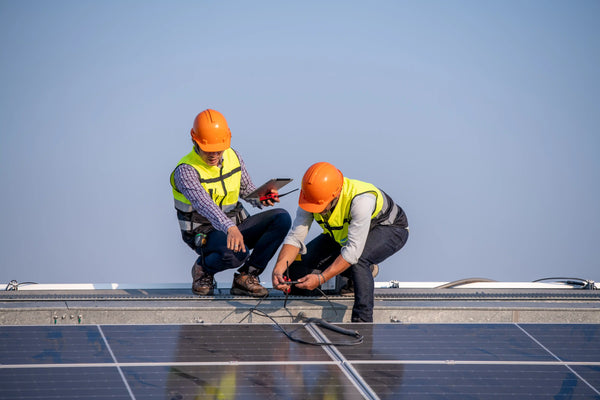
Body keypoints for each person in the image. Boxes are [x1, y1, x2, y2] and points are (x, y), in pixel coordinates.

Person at [171, 109, 291, 297]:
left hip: (236, 226)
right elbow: (205, 205)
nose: (214, 154)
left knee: (282, 218)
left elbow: (245, 190)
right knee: (236, 254)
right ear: (195, 140)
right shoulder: (186, 171)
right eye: (208, 149)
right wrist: (230, 228)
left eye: (218, 149)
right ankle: (203, 269)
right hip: (205, 231)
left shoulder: (233, 156)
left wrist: (261, 197)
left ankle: (246, 277)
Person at [272, 162, 409, 322]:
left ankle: (362, 321)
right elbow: (295, 238)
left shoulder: (361, 200)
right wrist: (278, 270)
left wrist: (321, 278)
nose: (316, 210)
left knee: (359, 260)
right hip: (345, 235)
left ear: (335, 195)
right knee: (296, 268)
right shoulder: (310, 197)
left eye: (321, 207)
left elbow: (352, 252)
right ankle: (352, 275)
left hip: (389, 228)